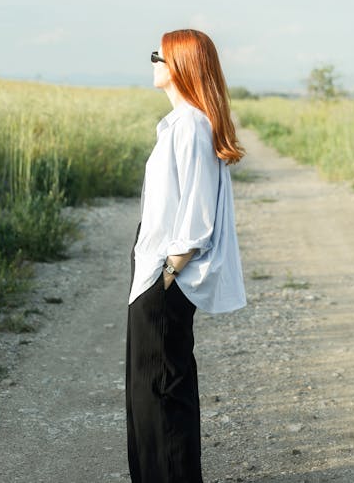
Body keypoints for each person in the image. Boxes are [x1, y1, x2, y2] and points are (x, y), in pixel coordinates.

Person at [125, 28, 247, 483]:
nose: (153, 61)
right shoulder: (179, 123)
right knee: (146, 387)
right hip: (154, 267)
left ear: (180, 65)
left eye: (159, 54)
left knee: (163, 388)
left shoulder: (192, 125)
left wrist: (168, 273)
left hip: (166, 272)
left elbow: (196, 215)